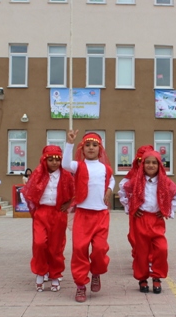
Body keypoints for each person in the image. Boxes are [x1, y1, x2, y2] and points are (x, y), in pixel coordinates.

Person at [63, 130, 115, 303]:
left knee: (100, 249)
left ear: (100, 149)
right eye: (87, 145)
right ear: (82, 148)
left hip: (101, 215)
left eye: (95, 145)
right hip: (83, 215)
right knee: (79, 250)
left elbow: (112, 180)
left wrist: (109, 189)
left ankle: (97, 272)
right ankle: (80, 285)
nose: (91, 148)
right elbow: (65, 165)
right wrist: (69, 143)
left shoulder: (105, 168)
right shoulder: (78, 166)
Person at [123, 150, 176, 294]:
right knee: (141, 251)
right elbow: (123, 192)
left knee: (161, 248)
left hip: (156, 220)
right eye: (147, 162)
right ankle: (142, 279)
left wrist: (167, 210)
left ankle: (156, 276)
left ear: (159, 165)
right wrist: (131, 208)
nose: (150, 165)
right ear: (142, 164)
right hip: (141, 219)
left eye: (154, 162)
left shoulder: (165, 181)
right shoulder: (136, 180)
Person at [22, 145, 75, 292]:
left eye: (57, 160)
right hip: (42, 213)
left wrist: (68, 204)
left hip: (58, 213)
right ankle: (40, 271)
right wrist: (35, 207)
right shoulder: (38, 174)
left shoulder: (66, 175)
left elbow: (75, 191)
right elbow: (27, 192)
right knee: (39, 243)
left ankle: (55, 274)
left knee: (55, 247)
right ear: (44, 160)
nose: (54, 163)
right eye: (50, 159)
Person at [118, 145, 154, 256]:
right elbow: (123, 190)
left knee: (153, 236)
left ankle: (150, 258)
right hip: (136, 213)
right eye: (140, 161)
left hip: (152, 214)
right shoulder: (131, 176)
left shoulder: (157, 177)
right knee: (134, 236)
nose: (143, 164)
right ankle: (139, 256)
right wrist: (130, 207)